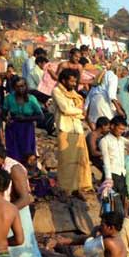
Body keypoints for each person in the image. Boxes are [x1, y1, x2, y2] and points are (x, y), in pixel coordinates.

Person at [52, 68, 92, 198]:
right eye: (72, 81)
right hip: (65, 129)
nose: (74, 84)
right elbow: (65, 109)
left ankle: (77, 188)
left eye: (75, 81)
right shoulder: (57, 91)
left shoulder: (73, 92)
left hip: (77, 129)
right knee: (66, 161)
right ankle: (64, 189)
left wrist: (80, 111)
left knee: (79, 160)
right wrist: (81, 112)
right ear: (63, 80)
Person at [99, 115, 129, 212]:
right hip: (111, 176)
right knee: (111, 206)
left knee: (122, 203)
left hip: (121, 175)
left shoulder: (121, 139)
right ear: (112, 126)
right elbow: (106, 161)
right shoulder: (104, 141)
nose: (122, 131)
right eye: (120, 129)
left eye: (123, 130)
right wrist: (108, 179)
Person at [2, 75, 44, 161]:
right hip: (13, 128)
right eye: (17, 87)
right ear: (14, 87)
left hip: (27, 128)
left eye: (22, 86)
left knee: (27, 151)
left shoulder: (31, 99)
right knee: (13, 151)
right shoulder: (9, 98)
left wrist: (25, 119)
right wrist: (6, 119)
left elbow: (41, 116)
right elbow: (3, 113)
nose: (21, 89)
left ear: (26, 86)